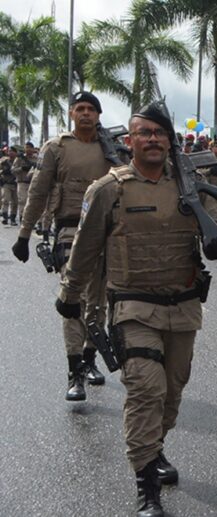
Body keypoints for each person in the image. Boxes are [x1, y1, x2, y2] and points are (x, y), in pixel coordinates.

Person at [55, 103, 217, 517]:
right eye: (143, 133)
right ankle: (146, 483)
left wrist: (213, 226)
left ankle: (154, 446)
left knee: (172, 391)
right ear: (129, 141)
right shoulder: (107, 190)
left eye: (159, 133)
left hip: (183, 306)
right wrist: (70, 294)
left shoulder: (189, 187)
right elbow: (84, 250)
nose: (152, 139)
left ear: (169, 141)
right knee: (147, 390)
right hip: (133, 306)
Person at [10, 91, 111, 401]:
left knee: (99, 301)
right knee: (73, 298)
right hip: (70, 230)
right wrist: (24, 234)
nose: (85, 113)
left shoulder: (112, 149)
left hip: (108, 232)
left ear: (98, 115)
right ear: (71, 114)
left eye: (91, 109)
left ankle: (90, 357)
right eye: (80, 108)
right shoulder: (56, 148)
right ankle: (74, 369)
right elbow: (38, 191)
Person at [14, 142, 37, 222]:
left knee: (32, 202)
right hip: (22, 182)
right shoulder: (19, 158)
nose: (28, 149)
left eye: (30, 147)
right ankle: (22, 217)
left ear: (33, 149)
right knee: (22, 200)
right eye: (26, 147)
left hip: (33, 182)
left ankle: (30, 219)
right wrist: (22, 168)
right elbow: (13, 170)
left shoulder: (36, 158)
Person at [0, 146, 18, 224]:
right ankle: (5, 217)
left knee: (15, 202)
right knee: (5, 200)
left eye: (12, 151)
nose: (10, 153)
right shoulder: (4, 161)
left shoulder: (18, 161)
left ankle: (13, 218)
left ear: (16, 153)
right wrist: (3, 172)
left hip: (16, 184)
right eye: (9, 151)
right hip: (6, 183)